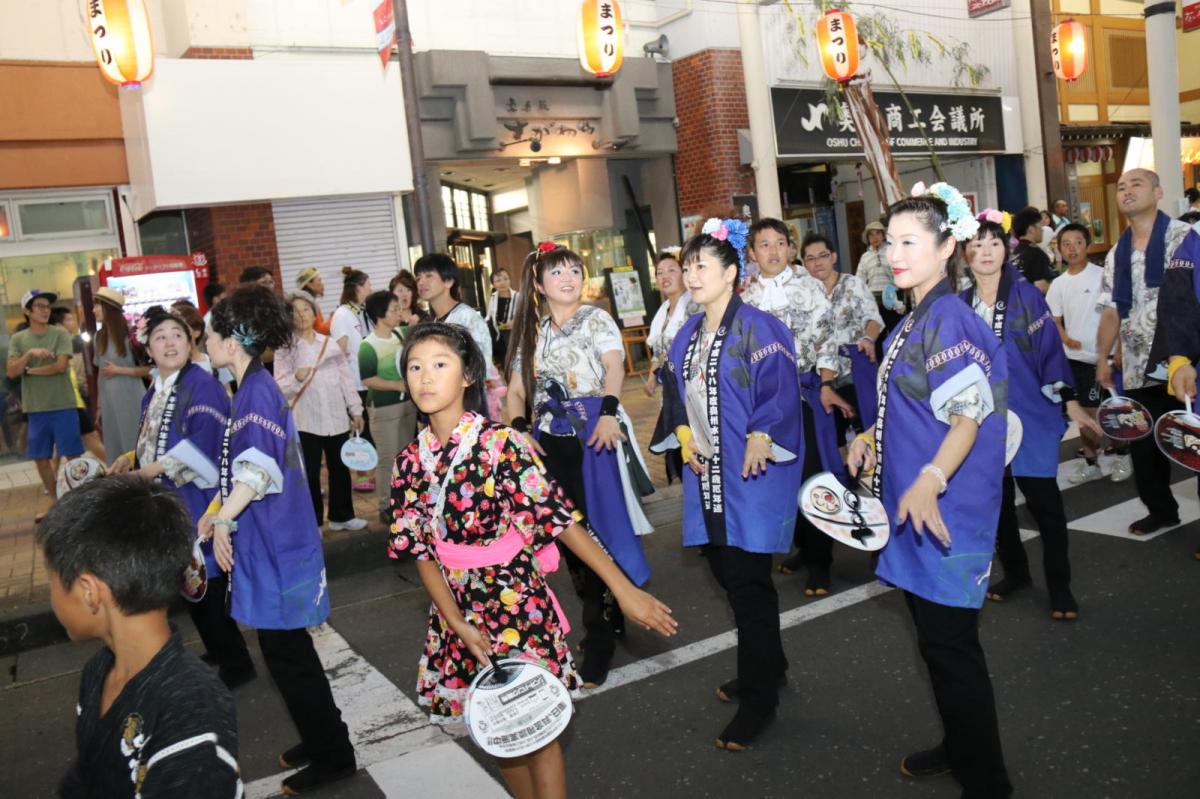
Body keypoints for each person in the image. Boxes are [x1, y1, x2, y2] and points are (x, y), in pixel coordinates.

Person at [388, 322, 676, 799]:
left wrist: (623, 589)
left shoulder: (501, 444)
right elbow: (420, 552)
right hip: (458, 616)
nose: (425, 377)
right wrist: (455, 621)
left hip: (516, 606)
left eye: (440, 364)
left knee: (536, 727)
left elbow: (560, 520)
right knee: (497, 727)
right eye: (415, 367)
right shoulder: (408, 462)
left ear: (468, 376)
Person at [846, 185, 1012, 798]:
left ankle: (989, 781)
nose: (894, 254)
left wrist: (930, 478)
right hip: (915, 508)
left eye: (910, 242)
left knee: (952, 649)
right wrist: (870, 435)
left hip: (945, 512)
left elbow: (968, 416)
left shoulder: (950, 318)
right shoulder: (917, 314)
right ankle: (960, 746)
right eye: (890, 242)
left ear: (947, 249)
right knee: (937, 647)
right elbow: (913, 401)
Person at [650, 218, 802, 750]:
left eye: (702, 266)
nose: (691, 276)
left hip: (749, 474)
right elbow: (674, 392)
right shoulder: (687, 333)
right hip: (706, 475)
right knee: (726, 572)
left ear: (731, 273)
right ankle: (769, 665)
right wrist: (682, 434)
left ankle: (760, 700)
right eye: (687, 266)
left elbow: (779, 388)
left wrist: (762, 432)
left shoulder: (761, 327)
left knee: (747, 581)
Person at [203, 284, 356, 794]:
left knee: (288, 653)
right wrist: (216, 511)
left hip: (278, 544)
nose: (206, 342)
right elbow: (244, 466)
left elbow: (257, 469)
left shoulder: (255, 391)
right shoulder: (252, 387)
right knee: (286, 650)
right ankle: (322, 737)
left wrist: (223, 520)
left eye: (210, 334)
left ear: (231, 342)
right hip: (272, 540)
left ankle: (333, 754)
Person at [504, 242, 655, 688]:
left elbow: (614, 366)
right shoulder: (532, 332)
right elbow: (516, 390)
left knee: (598, 531)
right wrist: (519, 428)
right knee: (567, 534)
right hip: (548, 442)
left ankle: (600, 633)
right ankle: (608, 613)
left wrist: (608, 412)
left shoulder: (596, 318)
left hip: (594, 432)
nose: (568, 278)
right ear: (538, 285)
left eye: (574, 270)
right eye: (557, 272)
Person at [38, 477, 241, 799]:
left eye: (52, 581)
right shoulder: (99, 671)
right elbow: (87, 777)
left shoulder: (191, 713)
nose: (52, 597)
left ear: (89, 591)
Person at [107, 306, 256, 688]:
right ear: (148, 350)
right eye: (160, 337)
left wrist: (147, 472)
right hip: (171, 500)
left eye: (177, 335)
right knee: (189, 580)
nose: (170, 343)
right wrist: (131, 458)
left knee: (207, 578)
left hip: (199, 498)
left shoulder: (202, 385)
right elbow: (155, 440)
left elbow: (203, 444)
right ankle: (218, 649)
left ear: (190, 342)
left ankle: (237, 661)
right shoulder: (158, 387)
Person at [961, 220, 1100, 620]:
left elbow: (1049, 350)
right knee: (998, 504)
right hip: (983, 420)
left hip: (1029, 412)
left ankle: (1060, 587)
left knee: (1045, 506)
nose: (986, 251)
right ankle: (1017, 572)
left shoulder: (1026, 296)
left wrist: (1069, 400)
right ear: (965, 253)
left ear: (1006, 250)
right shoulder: (959, 303)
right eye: (977, 244)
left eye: (994, 243)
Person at [741, 218, 847, 595]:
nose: (773, 251)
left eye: (780, 243)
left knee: (813, 475)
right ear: (752, 253)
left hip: (804, 393)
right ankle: (802, 545)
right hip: (762, 402)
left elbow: (828, 339)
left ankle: (821, 561)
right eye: (764, 244)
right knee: (778, 478)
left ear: (789, 248)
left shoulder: (809, 287)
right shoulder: (744, 297)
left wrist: (827, 383)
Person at [1095, 168, 1193, 535]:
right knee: (1144, 447)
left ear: (1158, 192)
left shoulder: (1185, 238)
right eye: (1121, 186)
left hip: (1186, 363)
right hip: (1137, 367)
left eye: (1136, 184)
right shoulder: (1116, 253)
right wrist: (1104, 357)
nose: (1127, 190)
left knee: (1196, 442)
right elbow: (1111, 311)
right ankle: (1162, 511)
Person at [275, 290, 366, 532]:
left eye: (306, 309)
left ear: (314, 312)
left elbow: (346, 379)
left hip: (336, 416)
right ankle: (312, 522)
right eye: (295, 311)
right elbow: (278, 388)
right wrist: (295, 378)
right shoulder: (285, 350)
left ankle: (341, 516)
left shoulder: (329, 344)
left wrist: (355, 409)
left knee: (340, 468)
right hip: (305, 420)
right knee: (310, 472)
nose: (301, 315)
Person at [1046, 223, 1127, 483]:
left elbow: (1119, 314)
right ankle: (1092, 462)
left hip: (1105, 357)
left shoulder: (1102, 276)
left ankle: (1122, 456)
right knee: (1085, 414)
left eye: (1078, 242)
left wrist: (1120, 348)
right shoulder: (1058, 284)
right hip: (1075, 360)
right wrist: (1066, 339)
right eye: (1066, 244)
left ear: (1087, 245)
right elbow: (1054, 320)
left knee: (1113, 411)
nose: (1072, 249)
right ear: (1059, 249)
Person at [801, 231, 884, 439]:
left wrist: (868, 339)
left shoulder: (853, 284)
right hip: (819, 379)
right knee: (832, 439)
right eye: (810, 259)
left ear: (833, 257)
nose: (817, 263)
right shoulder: (803, 295)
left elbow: (873, 318)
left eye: (822, 256)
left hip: (852, 372)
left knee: (867, 431)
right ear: (804, 264)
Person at [7, 290, 83, 511]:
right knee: (40, 457)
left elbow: (60, 366)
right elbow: (11, 371)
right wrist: (29, 354)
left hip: (63, 404)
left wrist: (30, 371)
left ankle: (81, 500)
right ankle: (56, 503)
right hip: (36, 408)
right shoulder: (19, 339)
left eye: (47, 306)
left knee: (73, 455)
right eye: (39, 306)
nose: (45, 310)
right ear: (27, 311)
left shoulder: (60, 334)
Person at [415, 253, 505, 419]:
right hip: (441, 402)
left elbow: (481, 364)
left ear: (448, 281)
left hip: (468, 402)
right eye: (418, 277)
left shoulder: (467, 318)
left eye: (428, 276)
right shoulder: (432, 323)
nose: (421, 282)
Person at [358, 290, 416, 523]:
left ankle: (407, 502)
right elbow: (368, 379)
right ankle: (386, 505)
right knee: (388, 458)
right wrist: (396, 385)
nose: (398, 312)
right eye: (394, 309)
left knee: (406, 456)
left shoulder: (402, 334)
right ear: (380, 314)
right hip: (383, 409)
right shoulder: (367, 346)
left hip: (408, 405)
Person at [644, 249, 696, 485]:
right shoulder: (662, 311)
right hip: (671, 389)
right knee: (678, 440)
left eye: (671, 270)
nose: (664, 276)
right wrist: (651, 377)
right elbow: (659, 350)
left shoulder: (694, 305)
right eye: (659, 272)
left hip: (692, 387)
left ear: (684, 273)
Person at [329, 266, 375, 491]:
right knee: (359, 430)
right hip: (353, 382)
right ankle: (361, 475)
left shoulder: (361, 311)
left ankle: (369, 472)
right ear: (357, 288)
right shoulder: (342, 315)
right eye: (368, 285)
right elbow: (340, 350)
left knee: (368, 429)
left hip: (367, 380)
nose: (371, 289)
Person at [93, 287, 151, 459]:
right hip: (109, 399)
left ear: (108, 308)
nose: (93, 310)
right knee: (114, 444)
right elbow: (100, 373)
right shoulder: (99, 337)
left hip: (131, 396)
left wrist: (120, 370)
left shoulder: (132, 336)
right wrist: (99, 406)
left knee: (134, 443)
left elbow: (150, 369)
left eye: (97, 306)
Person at [49, 306, 105, 463]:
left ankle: (52, 478)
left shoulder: (62, 342)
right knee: (90, 437)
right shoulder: (63, 343)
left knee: (63, 443)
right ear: (58, 325)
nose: (72, 322)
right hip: (70, 401)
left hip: (71, 399)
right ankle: (117, 468)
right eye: (68, 320)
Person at [857, 220, 906, 333]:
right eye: (871, 235)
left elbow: (901, 274)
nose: (875, 237)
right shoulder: (865, 257)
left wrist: (899, 300)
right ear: (868, 238)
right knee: (877, 335)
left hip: (893, 298)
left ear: (884, 235)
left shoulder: (892, 252)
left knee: (895, 332)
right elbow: (859, 280)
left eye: (878, 233)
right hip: (873, 301)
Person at [1009, 207, 1056, 293]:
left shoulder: (1014, 253)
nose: (1042, 230)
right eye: (1040, 226)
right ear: (1031, 229)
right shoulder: (1037, 254)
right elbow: (1041, 286)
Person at [485, 267, 519, 367]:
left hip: (513, 334)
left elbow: (525, 315)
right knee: (503, 362)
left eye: (505, 279)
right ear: (493, 284)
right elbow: (489, 315)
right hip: (498, 333)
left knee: (513, 361)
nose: (502, 283)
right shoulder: (493, 297)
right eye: (498, 280)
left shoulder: (518, 296)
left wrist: (515, 322)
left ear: (510, 280)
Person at [295, 267, 331, 335]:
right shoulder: (308, 304)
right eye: (319, 280)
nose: (322, 284)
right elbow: (320, 331)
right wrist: (333, 318)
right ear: (310, 285)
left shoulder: (305, 301)